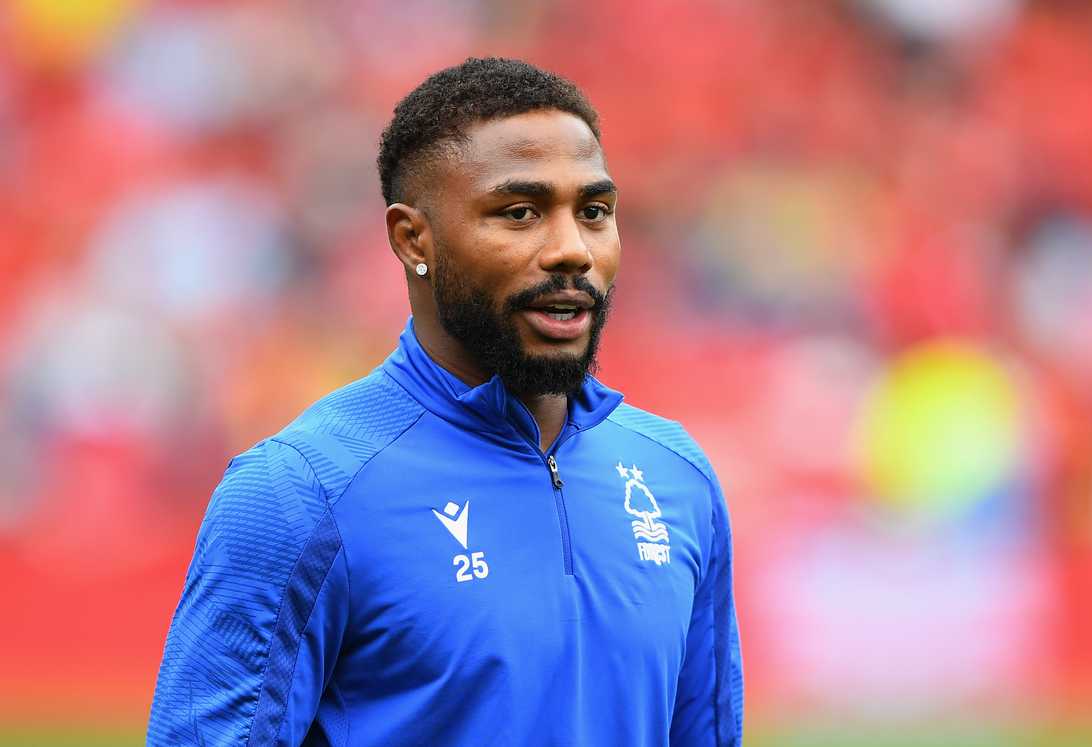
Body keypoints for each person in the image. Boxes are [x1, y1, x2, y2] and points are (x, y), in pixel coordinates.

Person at [148, 57, 742, 747]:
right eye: (519, 212)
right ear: (412, 239)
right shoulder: (300, 491)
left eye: (594, 211)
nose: (572, 250)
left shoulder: (677, 477)